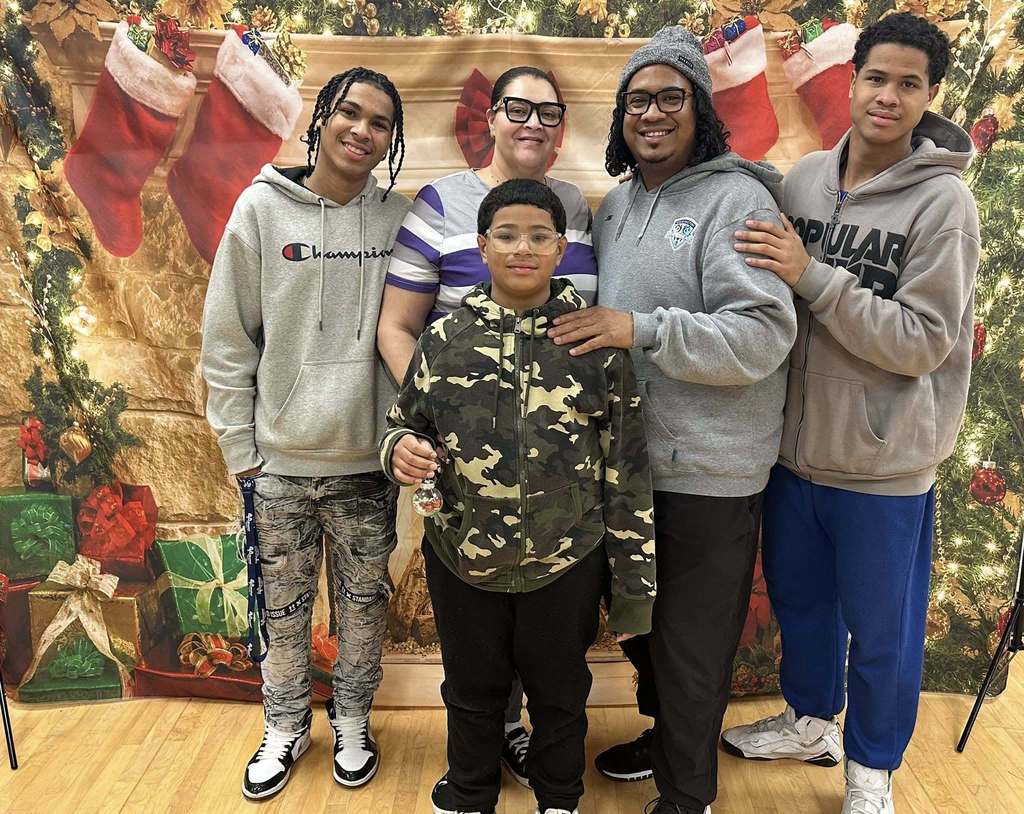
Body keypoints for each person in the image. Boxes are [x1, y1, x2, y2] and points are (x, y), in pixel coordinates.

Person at [721, 14, 979, 814]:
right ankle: (810, 722)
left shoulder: (944, 206)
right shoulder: (800, 181)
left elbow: (922, 342)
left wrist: (814, 276)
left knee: (883, 636)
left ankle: (871, 772)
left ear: (930, 97)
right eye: (877, 77)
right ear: (855, 79)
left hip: (884, 464)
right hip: (794, 454)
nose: (888, 96)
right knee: (802, 609)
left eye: (909, 84)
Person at [547, 26, 798, 814]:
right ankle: (666, 742)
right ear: (621, 117)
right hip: (630, 465)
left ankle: (689, 798)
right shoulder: (618, 205)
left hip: (711, 470)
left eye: (670, 98)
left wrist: (642, 327)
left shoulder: (738, 201)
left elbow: (763, 336)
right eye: (637, 101)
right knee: (646, 632)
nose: (651, 114)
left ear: (700, 111)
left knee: (692, 648)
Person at [380, 179, 656, 814]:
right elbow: (404, 423)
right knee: (473, 689)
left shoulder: (593, 345)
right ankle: (471, 791)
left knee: (560, 691)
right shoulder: (445, 337)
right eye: (506, 235)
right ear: (482, 247)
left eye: (539, 236)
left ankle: (558, 796)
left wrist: (633, 582)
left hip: (565, 560)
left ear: (562, 249)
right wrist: (397, 450)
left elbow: (627, 469)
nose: (522, 248)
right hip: (463, 556)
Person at [376, 65, 598, 784]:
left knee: (548, 628)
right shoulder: (440, 203)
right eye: (517, 108)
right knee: (477, 620)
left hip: (559, 474)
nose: (533, 123)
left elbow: (593, 336)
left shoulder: (578, 208)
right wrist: (431, 423)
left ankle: (539, 747)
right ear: (491, 118)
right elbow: (399, 327)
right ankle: (487, 744)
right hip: (468, 463)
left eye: (548, 111)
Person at [200, 68, 412, 800]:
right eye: (349, 113)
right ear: (320, 119)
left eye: (380, 121)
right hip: (279, 465)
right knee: (283, 611)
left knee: (362, 608)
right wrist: (242, 454)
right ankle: (285, 725)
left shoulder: (400, 220)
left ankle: (353, 718)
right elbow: (228, 341)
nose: (362, 130)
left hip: (367, 463)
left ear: (392, 139)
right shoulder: (260, 210)